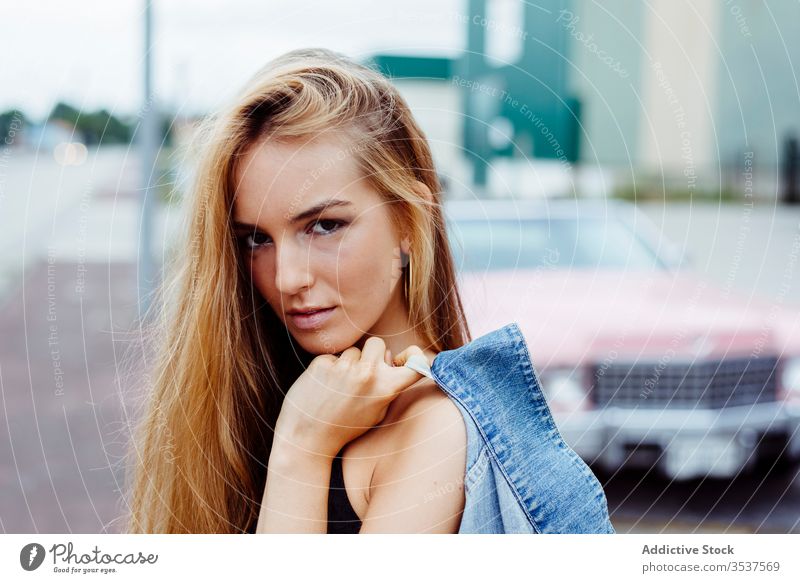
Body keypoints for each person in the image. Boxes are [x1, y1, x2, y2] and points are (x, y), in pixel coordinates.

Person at [124, 47, 472, 533]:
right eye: (255, 239)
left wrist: (301, 448)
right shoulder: (254, 396)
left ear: (410, 222)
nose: (287, 279)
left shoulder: (434, 431)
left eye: (325, 226)